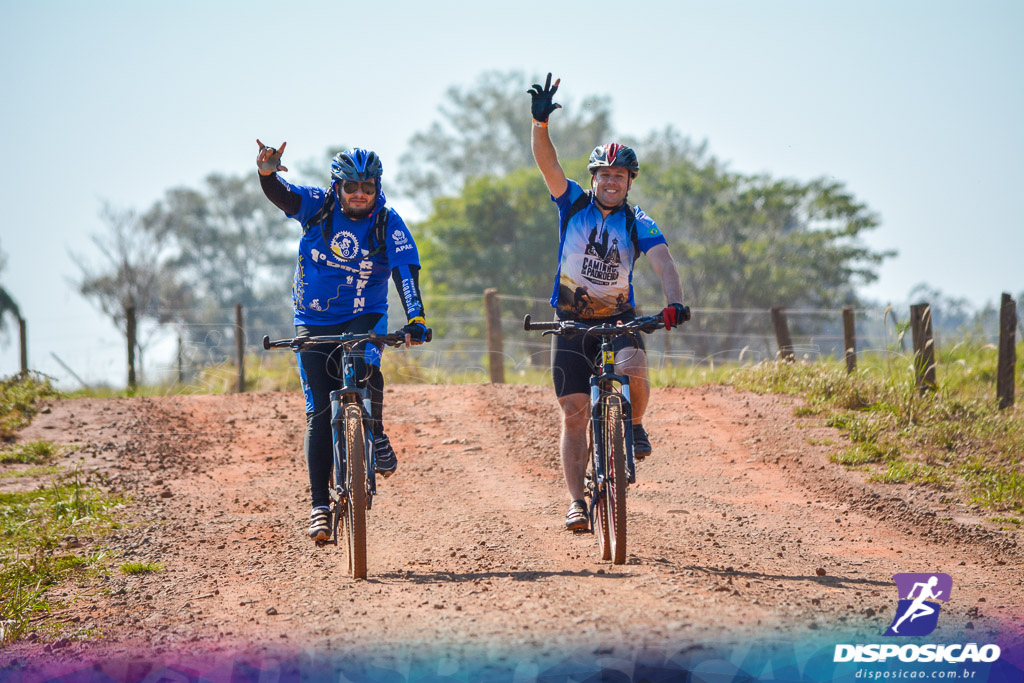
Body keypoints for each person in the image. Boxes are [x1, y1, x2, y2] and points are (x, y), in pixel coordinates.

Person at [528, 74, 690, 532]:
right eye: (605, 175)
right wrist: (540, 124)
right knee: (575, 413)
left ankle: (634, 425)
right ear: (594, 178)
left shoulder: (637, 220)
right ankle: (577, 501)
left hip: (619, 319)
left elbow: (664, 263)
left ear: (629, 181)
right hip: (570, 323)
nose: (611, 182)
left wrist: (673, 303)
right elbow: (549, 165)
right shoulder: (573, 202)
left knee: (635, 369)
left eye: (620, 176)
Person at [256, 140, 428, 541]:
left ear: (377, 187)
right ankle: (319, 506)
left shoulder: (387, 222)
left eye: (368, 187)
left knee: (366, 367)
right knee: (318, 414)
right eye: (351, 186)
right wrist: (266, 172)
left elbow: (405, 272)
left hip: (365, 313)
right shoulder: (317, 207)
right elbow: (281, 195)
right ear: (336, 187)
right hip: (312, 319)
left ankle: (378, 432)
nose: (359, 194)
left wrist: (416, 318)